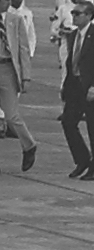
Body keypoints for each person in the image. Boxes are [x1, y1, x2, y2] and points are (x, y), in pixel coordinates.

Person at [61, 0, 94, 181]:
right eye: (73, 13)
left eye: (77, 13)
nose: (73, 16)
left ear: (89, 16)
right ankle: (83, 159)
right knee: (68, 122)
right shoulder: (73, 35)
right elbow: (71, 64)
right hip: (76, 86)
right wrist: (66, 87)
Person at [0, 0, 36, 173]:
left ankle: (29, 145)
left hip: (7, 68)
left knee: (11, 115)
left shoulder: (16, 20)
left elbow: (23, 49)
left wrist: (26, 76)